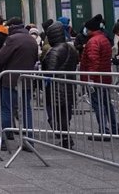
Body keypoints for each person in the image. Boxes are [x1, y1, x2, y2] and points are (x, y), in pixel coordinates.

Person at [0, 17, 39, 151]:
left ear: (12, 26)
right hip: (26, 79)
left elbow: (0, 59)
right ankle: (29, 140)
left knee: (6, 109)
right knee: (26, 109)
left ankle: (3, 140)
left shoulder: (12, 39)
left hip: (10, 79)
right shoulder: (31, 40)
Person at [81, 14, 119, 140]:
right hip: (105, 76)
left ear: (90, 29)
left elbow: (93, 61)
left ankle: (103, 130)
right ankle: (114, 129)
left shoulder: (93, 42)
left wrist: (90, 79)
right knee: (107, 103)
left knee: (98, 105)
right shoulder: (104, 39)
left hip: (96, 79)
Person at [42, 21, 79, 149]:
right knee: (65, 112)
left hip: (56, 87)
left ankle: (65, 138)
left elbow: (50, 71)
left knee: (58, 114)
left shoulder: (54, 51)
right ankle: (65, 137)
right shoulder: (71, 48)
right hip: (69, 84)